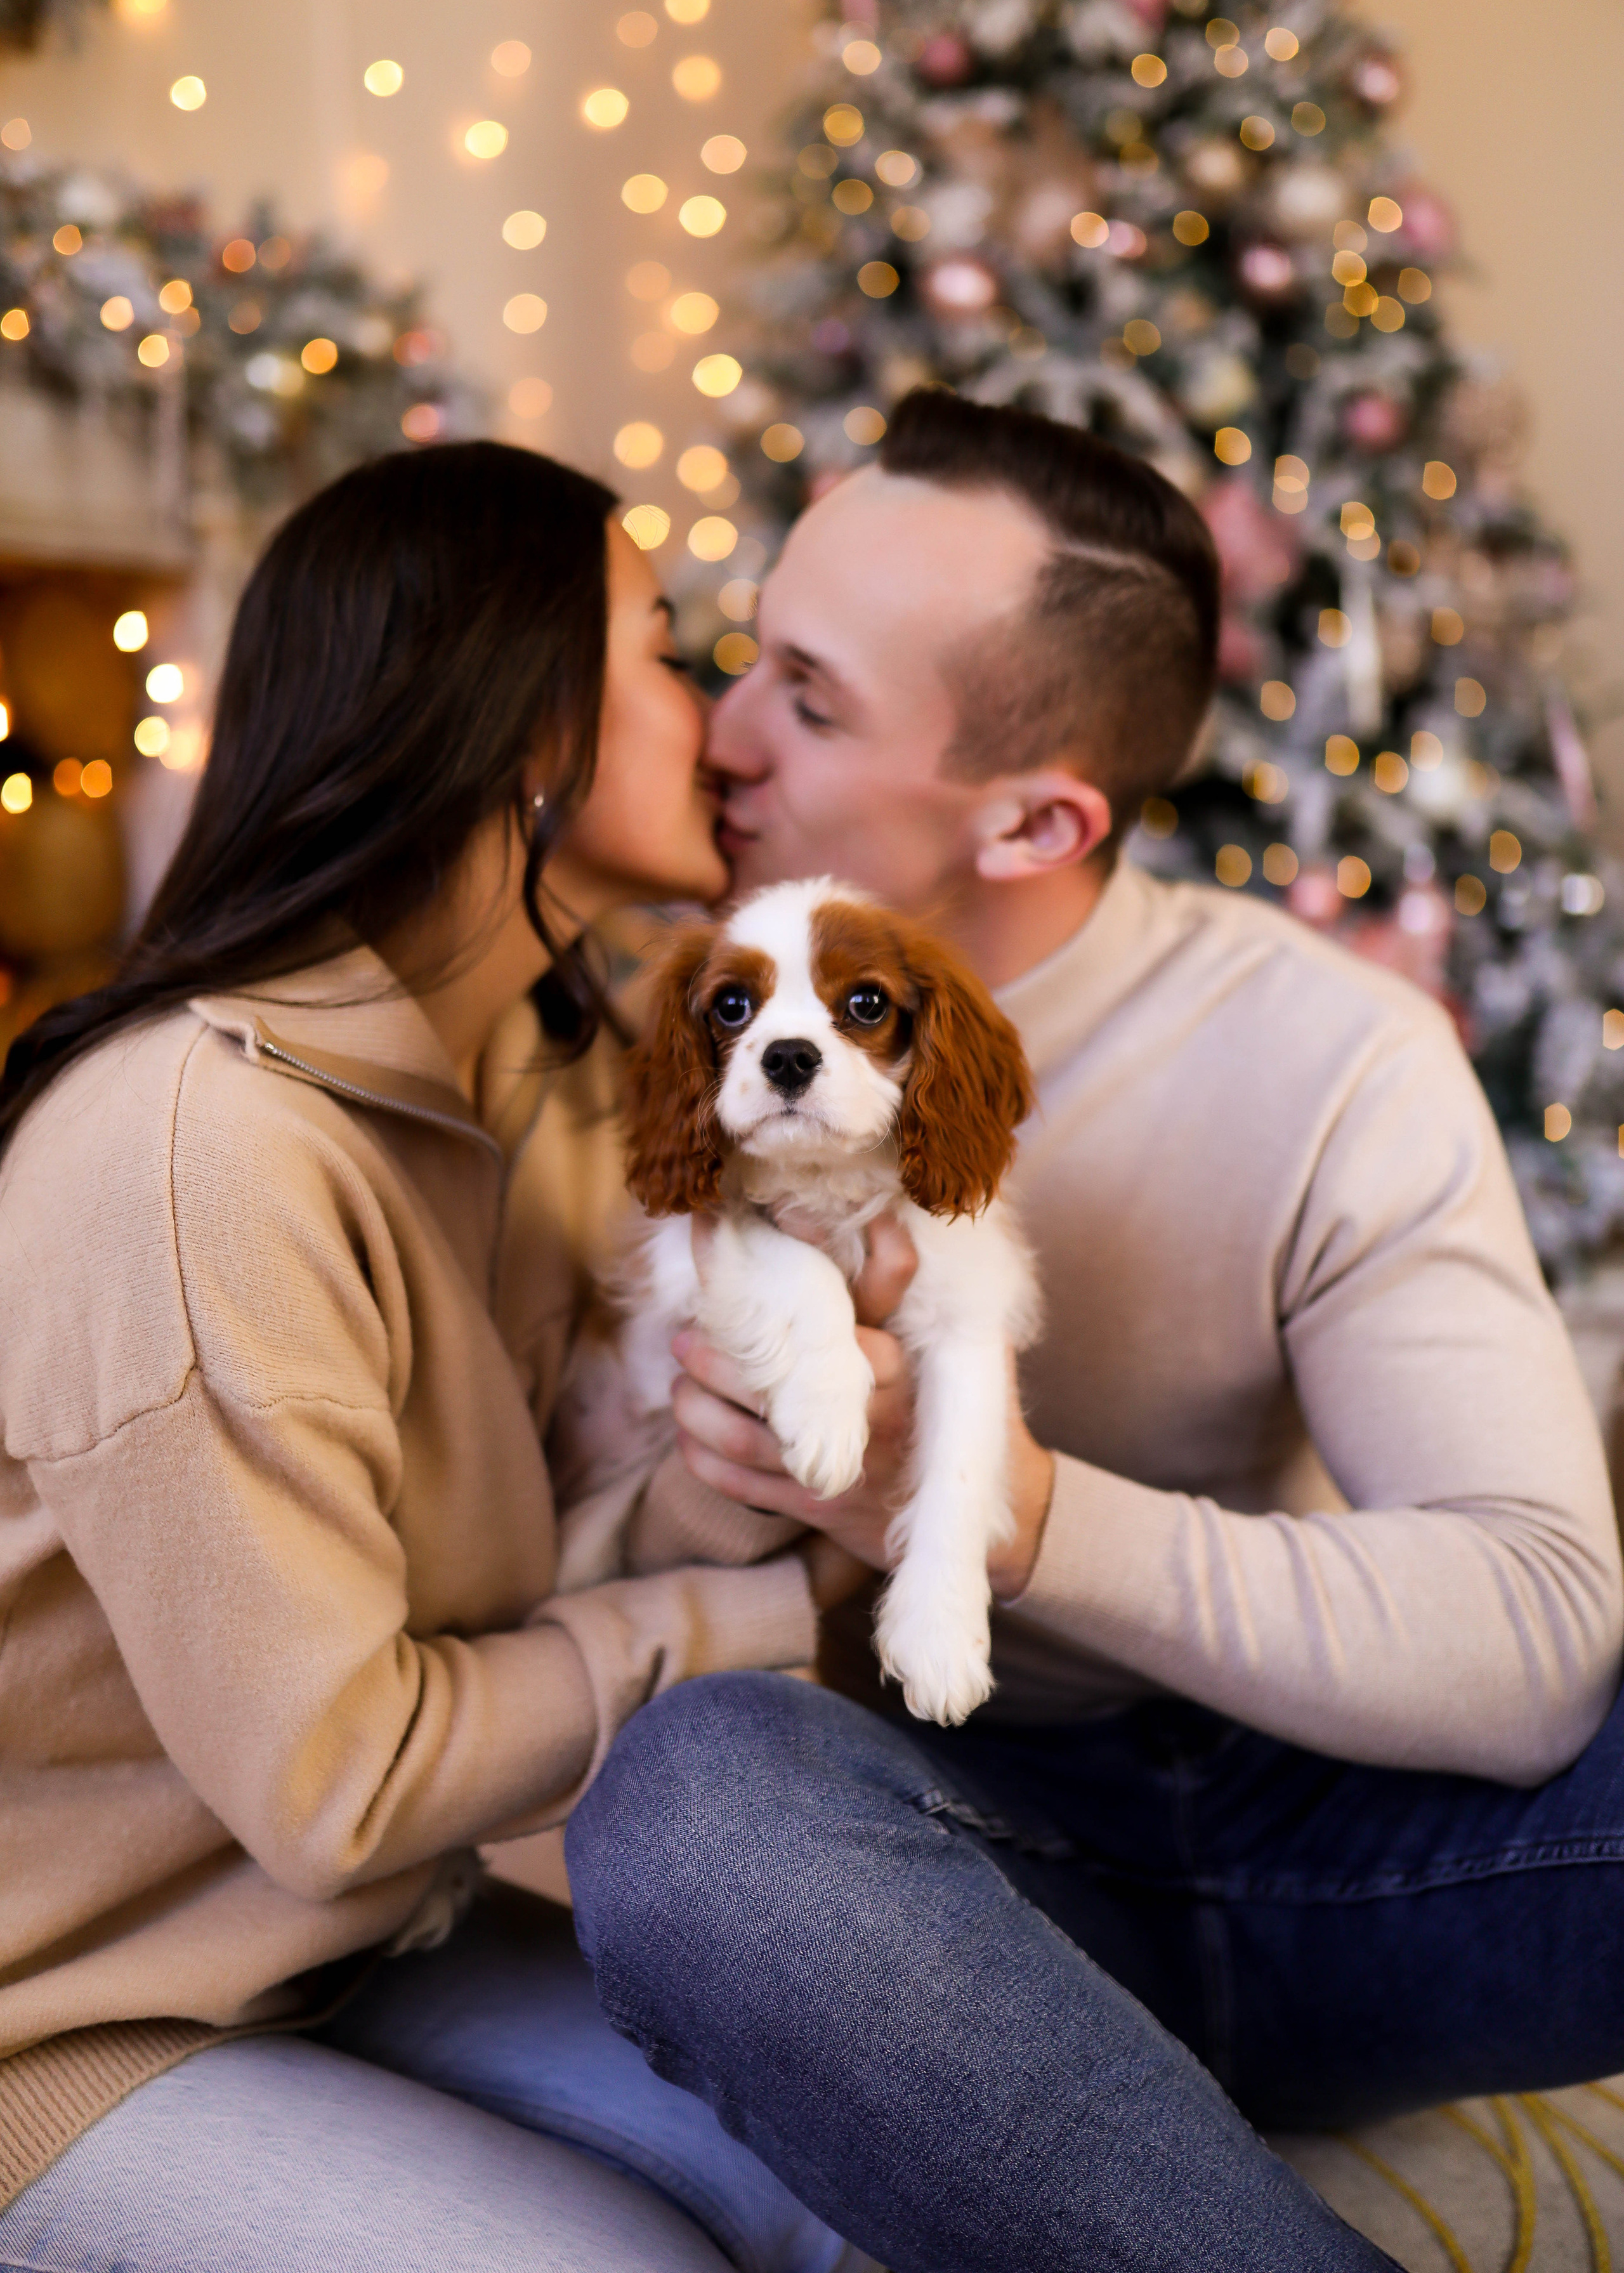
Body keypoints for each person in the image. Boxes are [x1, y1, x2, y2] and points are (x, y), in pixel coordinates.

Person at [563, 390, 1624, 2273]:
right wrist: (731, 1490)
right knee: (698, 1812)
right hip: (945, 1862)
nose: (718, 740)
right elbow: (585, 1585)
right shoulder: (671, 1025)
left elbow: (1536, 1640)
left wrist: (1005, 1514)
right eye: (746, 661)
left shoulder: (1327, 1054)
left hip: (1345, 1839)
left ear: (1039, 816)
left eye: (807, 701)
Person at [0, 442, 880, 2273]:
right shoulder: (200, 1149)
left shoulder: (544, 1083)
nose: (719, 725)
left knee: (862, 2188)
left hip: (343, 1945)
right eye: (664, 649)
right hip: (65, 2021)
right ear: (532, 723)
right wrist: (741, 1620)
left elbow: (521, 1571)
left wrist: (728, 1488)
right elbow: (340, 1778)